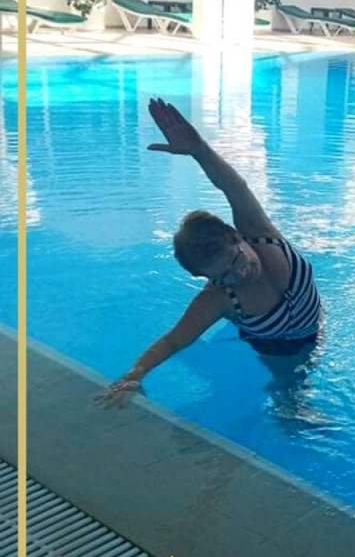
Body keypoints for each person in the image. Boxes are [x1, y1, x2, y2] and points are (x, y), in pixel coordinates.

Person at [96, 98, 323, 409]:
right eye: (223, 276)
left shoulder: (260, 233)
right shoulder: (218, 299)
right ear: (205, 277)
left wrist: (199, 150)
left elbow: (234, 187)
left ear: (236, 236)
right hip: (276, 347)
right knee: (289, 404)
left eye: (236, 259)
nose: (238, 273)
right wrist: (136, 373)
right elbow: (173, 340)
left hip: (316, 323)